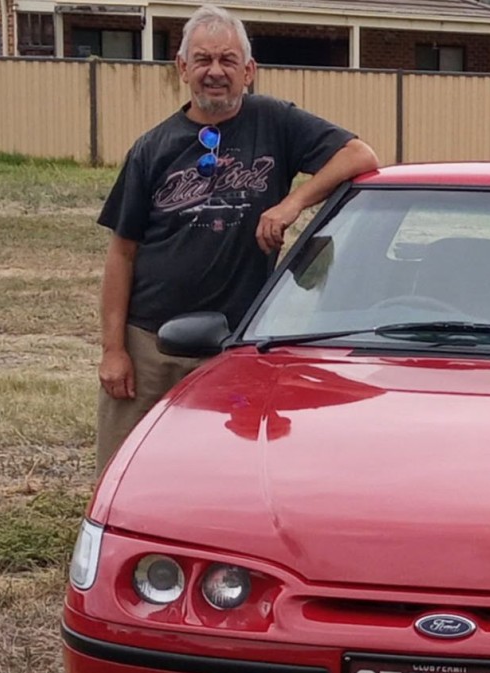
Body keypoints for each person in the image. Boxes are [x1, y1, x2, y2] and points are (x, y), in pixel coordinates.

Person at [95, 3, 379, 473]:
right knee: (128, 472)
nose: (215, 72)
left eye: (228, 61)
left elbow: (358, 155)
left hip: (237, 345)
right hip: (151, 343)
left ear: (249, 71)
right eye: (203, 60)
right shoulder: (152, 149)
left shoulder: (276, 123)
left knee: (226, 472)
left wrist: (292, 204)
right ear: (182, 68)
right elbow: (122, 253)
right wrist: (114, 350)